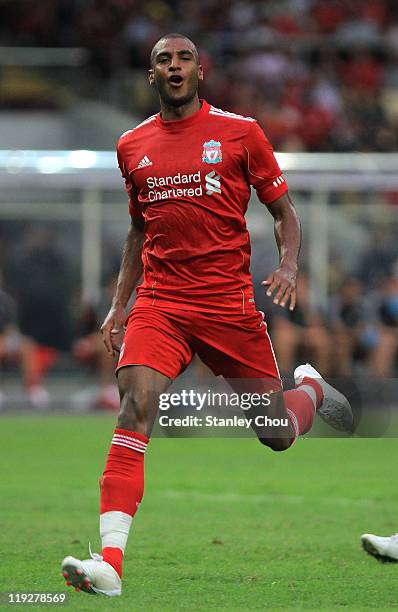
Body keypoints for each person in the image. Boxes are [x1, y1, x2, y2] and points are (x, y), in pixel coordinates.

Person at [61, 33, 353, 597]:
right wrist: (120, 305)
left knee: (276, 435)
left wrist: (289, 265)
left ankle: (310, 391)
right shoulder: (132, 145)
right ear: (152, 77)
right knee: (135, 407)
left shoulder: (242, 133)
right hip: (163, 304)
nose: (174, 66)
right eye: (163, 60)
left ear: (201, 70)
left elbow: (283, 212)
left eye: (184, 58)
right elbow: (139, 230)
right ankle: (111, 565)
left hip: (228, 307)